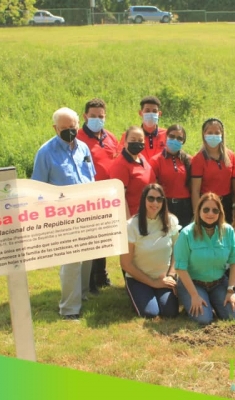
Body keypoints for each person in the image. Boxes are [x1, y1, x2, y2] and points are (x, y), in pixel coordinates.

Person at [31, 107, 96, 321]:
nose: (69, 131)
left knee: (87, 256)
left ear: (78, 126)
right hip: (62, 215)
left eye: (73, 127)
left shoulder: (84, 148)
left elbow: (91, 177)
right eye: (64, 128)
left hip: (86, 211)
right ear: (55, 128)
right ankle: (69, 309)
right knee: (71, 261)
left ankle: (83, 294)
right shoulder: (45, 152)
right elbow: (37, 188)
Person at [174, 193, 235, 324]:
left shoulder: (228, 231)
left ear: (220, 212)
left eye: (215, 210)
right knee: (204, 319)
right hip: (193, 284)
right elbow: (180, 267)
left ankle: (211, 302)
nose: (210, 213)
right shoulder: (186, 233)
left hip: (219, 283)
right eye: (206, 209)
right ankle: (195, 302)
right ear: (198, 210)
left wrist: (230, 291)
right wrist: (194, 295)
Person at [76, 98, 119, 293]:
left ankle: (101, 275)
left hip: (108, 196)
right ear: (85, 116)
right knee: (89, 240)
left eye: (100, 116)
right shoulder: (76, 138)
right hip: (86, 196)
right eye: (93, 116)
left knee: (103, 237)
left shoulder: (110, 137)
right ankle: (89, 281)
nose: (97, 119)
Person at [120, 184, 180, 318]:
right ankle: (138, 293)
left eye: (159, 199)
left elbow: (178, 251)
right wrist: (153, 283)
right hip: (138, 279)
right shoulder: (131, 226)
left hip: (163, 278)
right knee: (150, 314)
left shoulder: (171, 221)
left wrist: (171, 275)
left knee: (170, 313)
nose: (155, 203)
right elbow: (126, 264)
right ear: (143, 200)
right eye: (151, 198)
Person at [191, 118, 235, 223]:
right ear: (203, 134)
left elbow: (234, 185)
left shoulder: (230, 155)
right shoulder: (199, 159)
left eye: (217, 132)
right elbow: (195, 190)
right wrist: (197, 213)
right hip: (208, 205)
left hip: (227, 203)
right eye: (210, 132)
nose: (213, 135)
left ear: (222, 134)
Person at [150, 124, 193, 227]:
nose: (175, 140)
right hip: (165, 205)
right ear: (166, 137)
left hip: (186, 207)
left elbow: (193, 186)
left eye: (179, 138)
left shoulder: (189, 160)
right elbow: (153, 189)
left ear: (183, 141)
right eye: (172, 136)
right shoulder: (156, 161)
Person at [109, 126, 156, 219]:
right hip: (133, 219)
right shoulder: (120, 165)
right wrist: (128, 222)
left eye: (140, 140)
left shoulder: (141, 157)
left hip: (147, 215)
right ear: (125, 142)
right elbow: (119, 197)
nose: (137, 143)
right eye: (133, 139)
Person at [118, 96, 167, 165]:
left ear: (159, 114)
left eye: (154, 111)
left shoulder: (168, 135)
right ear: (140, 113)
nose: (151, 114)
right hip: (138, 174)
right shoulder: (128, 135)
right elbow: (119, 159)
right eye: (147, 111)